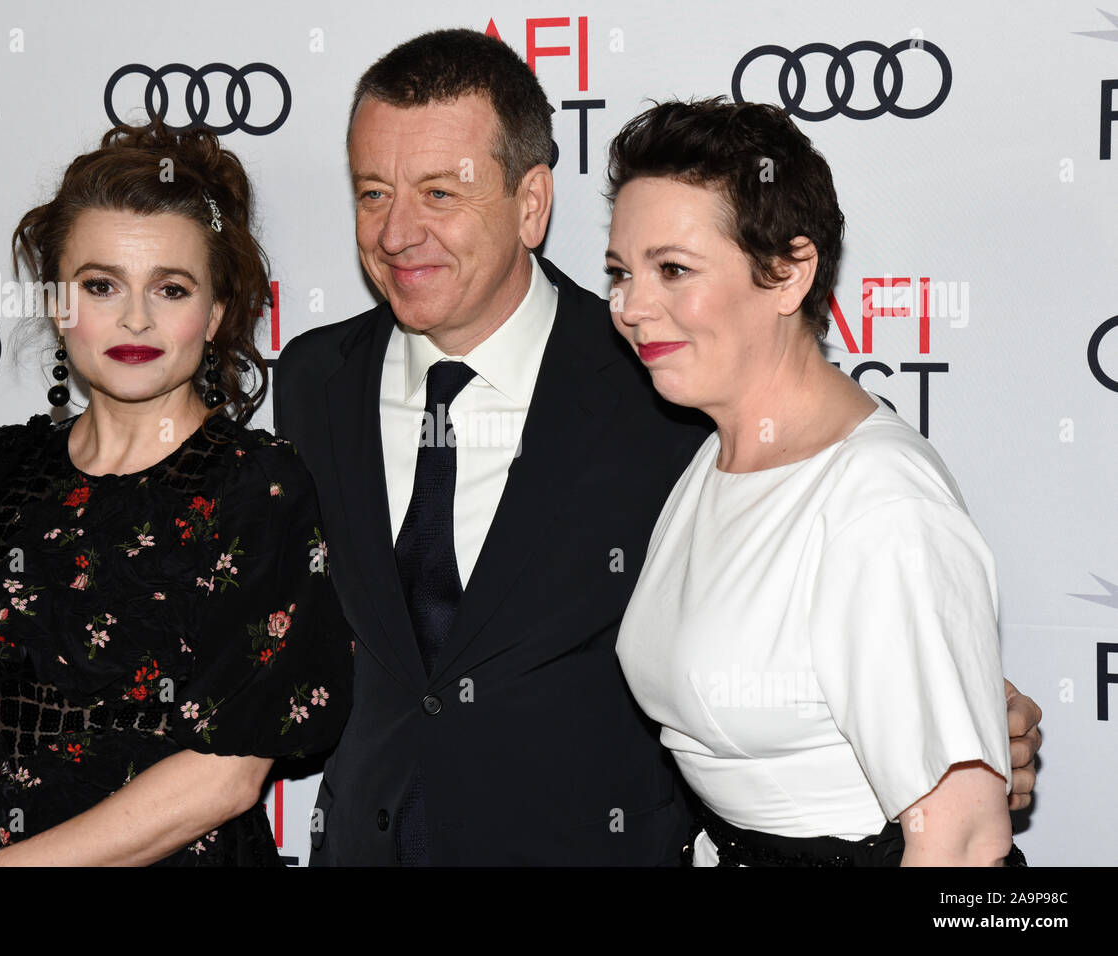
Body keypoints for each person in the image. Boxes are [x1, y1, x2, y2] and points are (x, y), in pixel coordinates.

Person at [273, 29, 1041, 865]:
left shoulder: (663, 392)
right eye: (373, 193)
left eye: (440, 193)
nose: (396, 233)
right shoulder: (316, 380)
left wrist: (970, 735)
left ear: (531, 204)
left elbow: (874, 572)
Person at [0, 121, 353, 866]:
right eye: (101, 285)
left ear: (215, 314)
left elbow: (228, 774)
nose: (135, 318)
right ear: (57, 302)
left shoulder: (258, 487)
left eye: (170, 288)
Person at [609, 98, 1028, 865]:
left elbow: (964, 843)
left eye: (673, 269)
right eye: (621, 272)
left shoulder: (878, 497)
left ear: (789, 272)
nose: (632, 306)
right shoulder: (711, 458)